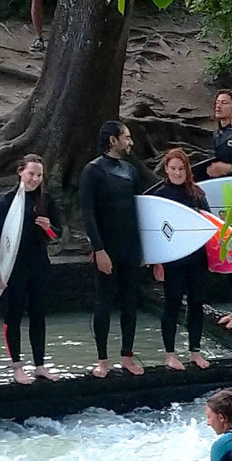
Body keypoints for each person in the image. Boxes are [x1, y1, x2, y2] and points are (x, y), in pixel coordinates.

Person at [79, 120, 149, 377]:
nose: (131, 142)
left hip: (130, 247)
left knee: (130, 302)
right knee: (104, 302)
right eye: (126, 137)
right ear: (112, 140)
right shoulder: (93, 171)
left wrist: (145, 250)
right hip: (107, 248)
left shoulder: (130, 171)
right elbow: (88, 214)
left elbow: (140, 210)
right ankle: (102, 359)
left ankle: (127, 355)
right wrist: (99, 249)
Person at [0, 153, 63, 384]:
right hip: (14, 267)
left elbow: (58, 234)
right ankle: (17, 367)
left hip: (39, 265)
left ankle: (40, 365)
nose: (35, 179)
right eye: (31, 174)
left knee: (38, 315)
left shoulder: (46, 200)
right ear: (20, 171)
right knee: (14, 314)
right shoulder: (6, 201)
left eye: (39, 175)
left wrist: (48, 227)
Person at [151, 148, 210, 372]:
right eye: (173, 168)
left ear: (187, 170)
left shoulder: (197, 194)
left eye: (181, 169)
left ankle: (195, 351)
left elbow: (209, 226)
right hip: (172, 259)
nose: (177, 173)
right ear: (166, 170)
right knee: (172, 303)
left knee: (197, 302)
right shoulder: (160, 196)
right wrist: (157, 262)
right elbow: (154, 232)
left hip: (197, 257)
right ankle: (170, 353)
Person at [196, 89, 232, 179]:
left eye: (224, 103)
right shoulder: (216, 134)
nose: (218, 106)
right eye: (217, 103)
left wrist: (231, 168)